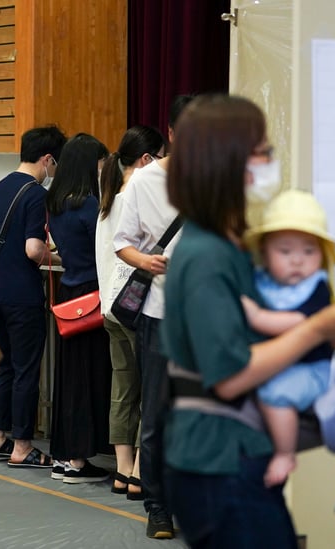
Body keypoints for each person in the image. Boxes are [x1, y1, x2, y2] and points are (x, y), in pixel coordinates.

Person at [161, 93, 335, 547]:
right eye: (262, 151)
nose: (270, 161)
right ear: (228, 162)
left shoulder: (231, 245)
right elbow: (231, 375)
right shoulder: (205, 255)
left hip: (236, 452)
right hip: (218, 459)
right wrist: (317, 327)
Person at [112, 95, 192, 538]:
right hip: (160, 311)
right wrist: (144, 262)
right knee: (158, 412)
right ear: (175, 134)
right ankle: (158, 505)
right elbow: (122, 241)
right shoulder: (144, 183)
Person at [241, 189, 335, 487]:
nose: (298, 261)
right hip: (272, 363)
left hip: (311, 370)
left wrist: (258, 317)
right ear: (265, 252)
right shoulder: (260, 281)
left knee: (275, 393)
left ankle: (285, 453)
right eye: (285, 252)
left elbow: (300, 323)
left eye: (309, 251)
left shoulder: (317, 287)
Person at [0, 125, 67, 469]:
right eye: (55, 164)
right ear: (47, 159)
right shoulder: (34, 194)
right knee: (27, 369)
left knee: (9, 364)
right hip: (22, 294)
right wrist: (60, 257)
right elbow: (33, 249)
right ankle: (23, 445)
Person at [96, 125, 165, 498]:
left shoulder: (108, 200)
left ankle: (122, 471)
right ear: (146, 159)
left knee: (123, 389)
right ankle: (139, 471)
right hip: (138, 306)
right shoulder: (137, 197)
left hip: (110, 306)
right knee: (149, 389)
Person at [46, 133, 112, 483]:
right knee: (90, 376)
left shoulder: (56, 202)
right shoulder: (89, 205)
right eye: (100, 162)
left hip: (70, 292)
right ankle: (78, 460)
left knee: (70, 377)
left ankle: (64, 455)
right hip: (93, 294)